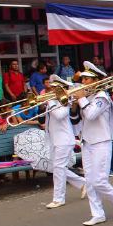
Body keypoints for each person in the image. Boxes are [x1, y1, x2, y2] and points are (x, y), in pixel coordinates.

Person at [69, 61, 113, 226]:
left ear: (96, 81)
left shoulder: (102, 97)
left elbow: (91, 114)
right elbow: (75, 120)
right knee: (89, 181)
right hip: (87, 141)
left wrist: (80, 99)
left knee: (99, 180)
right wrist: (74, 105)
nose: (83, 82)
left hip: (101, 141)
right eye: (83, 79)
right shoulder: (85, 98)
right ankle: (97, 213)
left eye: (87, 79)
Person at [44, 75, 87, 209]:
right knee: (58, 168)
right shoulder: (54, 101)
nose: (51, 91)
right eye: (51, 88)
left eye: (54, 88)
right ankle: (82, 183)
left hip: (64, 140)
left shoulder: (65, 101)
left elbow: (59, 115)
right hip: (56, 140)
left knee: (58, 168)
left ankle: (58, 198)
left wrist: (50, 103)